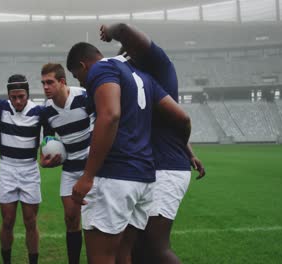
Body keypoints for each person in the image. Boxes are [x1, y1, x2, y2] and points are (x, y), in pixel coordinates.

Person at [66, 42, 191, 264]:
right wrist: (186, 149)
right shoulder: (143, 77)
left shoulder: (101, 69)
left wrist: (87, 176)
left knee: (101, 257)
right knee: (125, 255)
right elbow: (182, 117)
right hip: (143, 179)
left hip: (114, 177)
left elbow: (111, 115)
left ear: (83, 66)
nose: (82, 83)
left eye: (78, 77)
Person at [99, 23, 206, 264]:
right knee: (135, 246)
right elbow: (160, 124)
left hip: (166, 168)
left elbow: (125, 29)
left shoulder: (159, 66)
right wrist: (189, 151)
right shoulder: (137, 83)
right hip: (148, 169)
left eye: (126, 54)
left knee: (155, 246)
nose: (124, 61)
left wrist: (111, 31)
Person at [0, 74, 43, 264]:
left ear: (28, 94)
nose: (17, 101)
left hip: (30, 170)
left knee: (30, 221)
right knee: (7, 221)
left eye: (21, 96)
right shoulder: (1, 107)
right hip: (7, 169)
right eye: (13, 97)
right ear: (8, 96)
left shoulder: (39, 111)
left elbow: (50, 130)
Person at [39, 63, 90, 264]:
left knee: (96, 221)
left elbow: (98, 131)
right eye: (43, 83)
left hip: (93, 168)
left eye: (50, 82)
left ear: (62, 82)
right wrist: (46, 161)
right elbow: (48, 143)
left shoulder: (84, 97)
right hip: (70, 169)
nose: (45, 87)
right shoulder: (46, 111)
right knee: (70, 219)